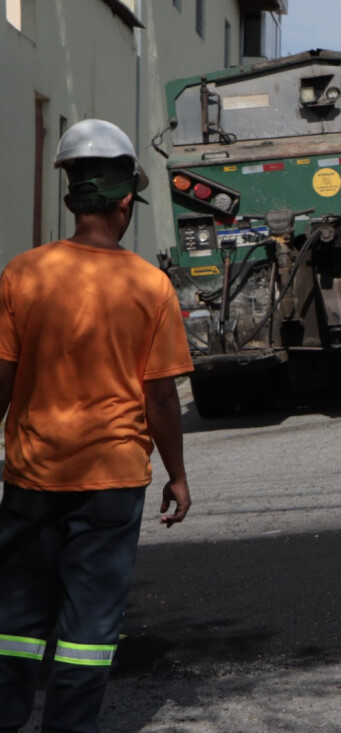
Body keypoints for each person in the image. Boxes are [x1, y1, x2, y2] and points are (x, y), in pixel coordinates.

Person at [0, 118, 194, 731]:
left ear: (69, 199)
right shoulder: (150, 286)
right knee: (89, 627)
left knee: (18, 619)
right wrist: (177, 475)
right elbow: (162, 399)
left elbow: (1, 381)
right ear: (125, 200)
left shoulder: (22, 273)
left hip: (31, 474)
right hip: (110, 481)